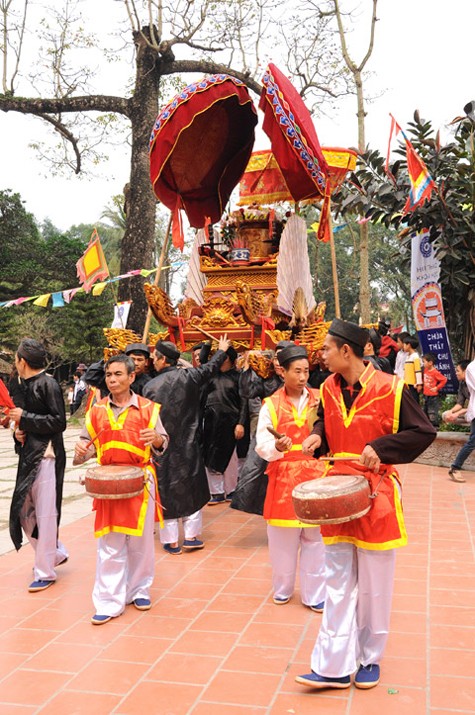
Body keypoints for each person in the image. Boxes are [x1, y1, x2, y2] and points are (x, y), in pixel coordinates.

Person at [296, 319, 436, 691]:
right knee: (338, 581)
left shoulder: (392, 389)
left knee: (374, 583)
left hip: (377, 495)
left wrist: (382, 448)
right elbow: (325, 421)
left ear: (346, 351)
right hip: (337, 493)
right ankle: (334, 665)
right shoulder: (326, 387)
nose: (320, 355)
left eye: (326, 348)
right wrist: (315, 436)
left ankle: (370, 657)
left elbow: (423, 431)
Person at [73, 353, 168, 625]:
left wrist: (158, 439)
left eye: (118, 374)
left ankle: (139, 589)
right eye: (108, 375)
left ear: (131, 377)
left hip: (141, 482)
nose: (112, 380)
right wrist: (82, 451)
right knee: (110, 543)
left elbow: (163, 444)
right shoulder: (96, 411)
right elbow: (84, 452)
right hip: (107, 486)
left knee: (141, 543)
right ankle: (108, 601)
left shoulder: (150, 409)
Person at [143, 335, 230, 554]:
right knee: (191, 485)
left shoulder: (150, 386)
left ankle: (171, 540)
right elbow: (210, 368)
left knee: (166, 487)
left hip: (160, 444)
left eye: (155, 357)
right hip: (189, 442)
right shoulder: (190, 377)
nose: (152, 361)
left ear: (163, 360)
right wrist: (221, 350)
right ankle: (191, 536)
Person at [255, 344, 326, 612]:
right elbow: (261, 443)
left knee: (315, 539)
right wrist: (277, 448)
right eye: (297, 371)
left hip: (316, 475)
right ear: (282, 372)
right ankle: (282, 588)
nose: (303, 377)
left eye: (306, 371)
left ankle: (314, 594)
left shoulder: (320, 398)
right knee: (282, 539)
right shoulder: (270, 405)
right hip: (284, 476)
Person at [9, 338, 69, 593]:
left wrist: (26, 418)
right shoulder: (24, 385)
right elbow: (30, 424)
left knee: (45, 515)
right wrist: (18, 433)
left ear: (22, 361)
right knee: (23, 512)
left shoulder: (48, 383)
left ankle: (45, 571)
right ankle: (54, 553)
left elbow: (59, 421)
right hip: (29, 456)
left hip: (47, 457)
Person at [201, 344, 246, 504]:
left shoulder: (238, 377)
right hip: (211, 421)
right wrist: (207, 343)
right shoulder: (210, 374)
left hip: (231, 422)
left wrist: (241, 423)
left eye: (222, 356)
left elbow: (244, 402)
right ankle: (216, 491)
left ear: (229, 359)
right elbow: (202, 360)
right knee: (210, 455)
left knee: (231, 458)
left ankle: (231, 489)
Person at [448, 357, 475, 483]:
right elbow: (461, 404)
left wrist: (455, 412)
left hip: (471, 411)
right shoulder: (472, 368)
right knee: (472, 442)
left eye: (458, 370)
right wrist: (451, 413)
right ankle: (455, 467)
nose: (456, 373)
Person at [422, 353, 447, 428]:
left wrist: (437, 388)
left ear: (430, 363)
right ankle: (427, 427)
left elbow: (444, 380)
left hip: (433, 396)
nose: (423, 363)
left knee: (432, 412)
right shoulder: (425, 370)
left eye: (424, 362)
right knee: (425, 410)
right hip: (426, 394)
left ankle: (435, 427)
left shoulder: (435, 372)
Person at [442, 359, 470, 426]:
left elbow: (472, 407)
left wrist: (457, 414)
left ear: (465, 371)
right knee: (445, 415)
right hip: (471, 410)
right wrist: (451, 411)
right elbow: (459, 404)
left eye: (458, 371)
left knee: (468, 416)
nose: (456, 373)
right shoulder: (462, 383)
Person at [402, 334, 423, 402]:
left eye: (404, 344)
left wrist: (419, 383)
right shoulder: (408, 356)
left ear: (409, 345)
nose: (403, 346)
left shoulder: (415, 356)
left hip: (413, 384)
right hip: (407, 383)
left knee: (414, 401)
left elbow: (418, 371)